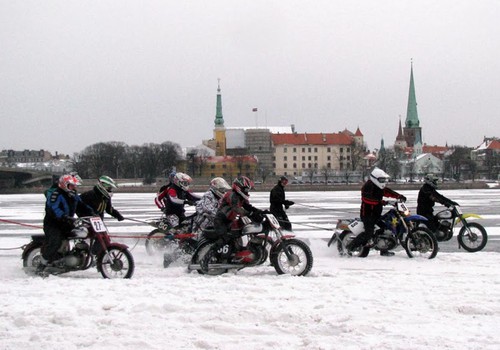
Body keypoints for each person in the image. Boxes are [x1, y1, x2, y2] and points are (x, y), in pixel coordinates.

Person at [347, 167, 407, 257]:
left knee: (386, 228)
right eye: (381, 180)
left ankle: (384, 249)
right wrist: (381, 202)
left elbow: (387, 191)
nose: (383, 182)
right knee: (369, 233)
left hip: (376, 214)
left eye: (384, 180)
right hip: (367, 215)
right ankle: (350, 247)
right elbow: (367, 199)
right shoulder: (367, 187)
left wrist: (398, 196)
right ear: (375, 178)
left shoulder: (379, 187)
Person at [40, 174, 94, 267]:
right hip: (53, 224)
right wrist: (64, 216)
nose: (73, 187)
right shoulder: (56, 194)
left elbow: (82, 206)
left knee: (84, 232)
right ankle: (42, 265)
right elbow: (54, 208)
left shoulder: (73, 195)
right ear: (64, 185)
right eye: (71, 185)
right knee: (55, 241)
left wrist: (92, 213)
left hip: (67, 223)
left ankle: (76, 255)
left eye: (74, 185)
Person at [213, 176, 262, 242]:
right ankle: (214, 250)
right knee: (225, 240)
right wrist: (249, 214)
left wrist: (259, 211)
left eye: (247, 190)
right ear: (239, 187)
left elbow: (248, 206)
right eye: (245, 189)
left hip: (229, 221)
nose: (246, 192)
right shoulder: (232, 194)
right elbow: (236, 208)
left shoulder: (240, 197)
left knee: (236, 237)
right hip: (221, 221)